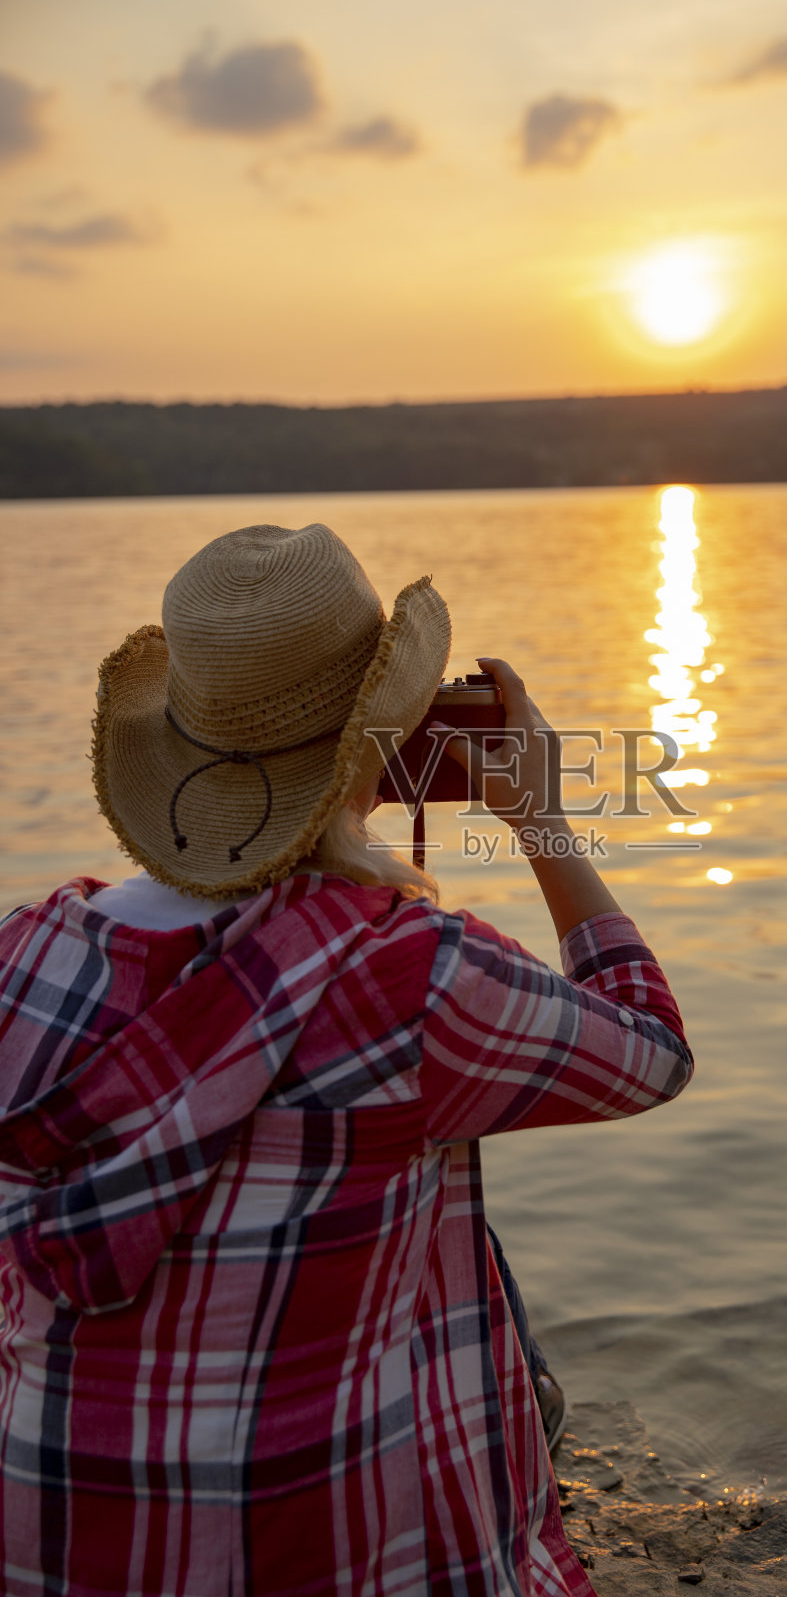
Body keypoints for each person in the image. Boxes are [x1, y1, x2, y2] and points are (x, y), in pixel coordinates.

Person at [0, 522, 693, 1597]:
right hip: (311, 1545)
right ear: (391, 734)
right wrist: (540, 820)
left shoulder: (25, 953)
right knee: (434, 1180)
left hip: (47, 1533)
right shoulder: (408, 975)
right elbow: (648, 1050)